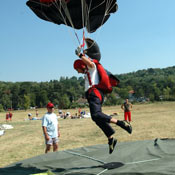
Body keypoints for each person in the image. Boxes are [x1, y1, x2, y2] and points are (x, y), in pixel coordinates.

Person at [73, 39, 132, 154]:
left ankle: (121, 123)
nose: (77, 72)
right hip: (92, 95)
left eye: (77, 69)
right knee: (95, 117)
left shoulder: (92, 67)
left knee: (96, 114)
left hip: (95, 93)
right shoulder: (87, 73)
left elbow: (90, 63)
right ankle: (111, 139)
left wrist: (80, 55)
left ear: (81, 65)